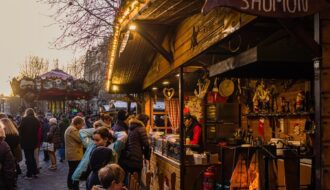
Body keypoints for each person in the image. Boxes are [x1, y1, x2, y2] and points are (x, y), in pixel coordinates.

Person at [119, 114, 150, 184]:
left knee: (131, 179)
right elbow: (146, 144)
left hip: (129, 157)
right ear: (144, 121)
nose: (147, 124)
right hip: (136, 158)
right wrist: (147, 157)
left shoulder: (131, 127)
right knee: (136, 180)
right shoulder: (141, 128)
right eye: (147, 121)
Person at [65, 116, 85, 190]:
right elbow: (80, 139)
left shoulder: (71, 129)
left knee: (72, 170)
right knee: (76, 172)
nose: (82, 126)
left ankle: (70, 186)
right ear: (77, 124)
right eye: (81, 124)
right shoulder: (73, 130)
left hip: (73, 153)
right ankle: (75, 187)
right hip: (74, 154)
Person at [19, 108, 40, 179]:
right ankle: (35, 172)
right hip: (34, 141)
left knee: (28, 158)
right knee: (32, 157)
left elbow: (20, 129)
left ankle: (29, 174)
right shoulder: (36, 120)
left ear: (26, 113)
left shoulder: (24, 119)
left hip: (26, 142)